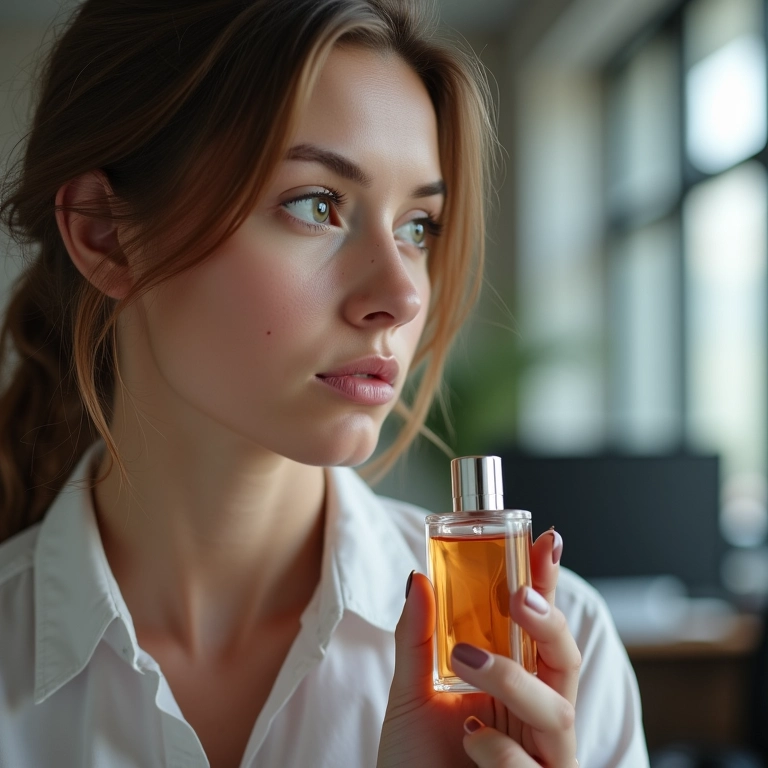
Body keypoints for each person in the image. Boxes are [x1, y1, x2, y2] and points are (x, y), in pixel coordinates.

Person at [0, 0, 649, 765]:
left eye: (417, 227)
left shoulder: (549, 659)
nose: (403, 295)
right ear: (106, 233)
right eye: (317, 204)